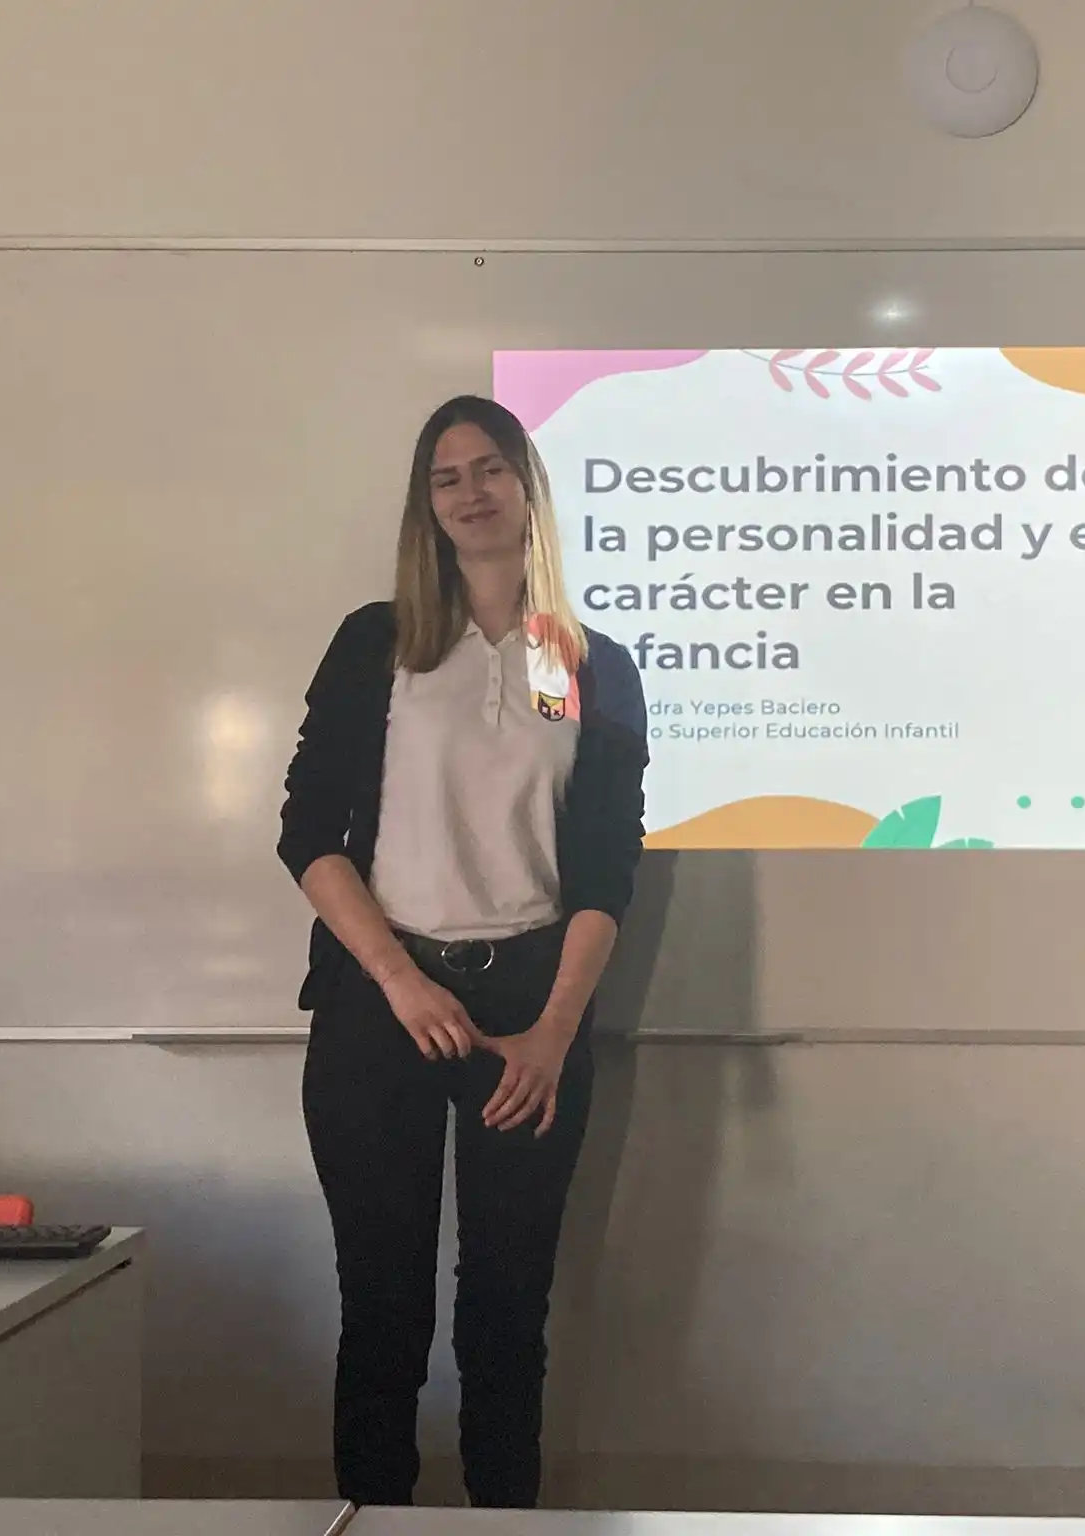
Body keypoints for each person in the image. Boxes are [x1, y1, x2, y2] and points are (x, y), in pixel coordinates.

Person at [277, 394, 648, 1508]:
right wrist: (398, 980)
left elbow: (605, 871)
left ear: (527, 487)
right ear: (424, 505)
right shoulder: (377, 642)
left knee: (506, 1317)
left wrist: (551, 1034)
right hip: (379, 1007)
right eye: (445, 477)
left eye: (490, 468)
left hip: (532, 1015)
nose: (470, 492)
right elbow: (306, 832)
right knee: (381, 1312)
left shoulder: (587, 662)